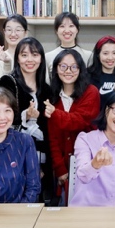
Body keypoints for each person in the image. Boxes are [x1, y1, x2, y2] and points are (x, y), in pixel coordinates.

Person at [0, 37, 52, 203]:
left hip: (40, 153)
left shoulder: (46, 89)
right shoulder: (8, 81)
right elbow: (2, 116)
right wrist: (25, 116)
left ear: (41, 58)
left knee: (37, 200)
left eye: (34, 55)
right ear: (18, 58)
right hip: (14, 151)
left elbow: (47, 126)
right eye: (24, 55)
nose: (30, 60)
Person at [70, 91, 115, 207]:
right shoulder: (85, 139)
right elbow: (83, 176)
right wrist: (95, 164)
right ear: (107, 110)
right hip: (86, 213)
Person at [45, 48, 100, 202]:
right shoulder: (52, 95)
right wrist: (60, 169)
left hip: (89, 163)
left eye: (74, 66)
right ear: (56, 69)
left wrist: (55, 113)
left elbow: (79, 121)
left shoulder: (91, 92)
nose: (68, 71)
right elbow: (53, 137)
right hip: (63, 166)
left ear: (80, 69)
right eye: (63, 66)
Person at [44, 12, 92, 81]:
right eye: (62, 26)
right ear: (56, 30)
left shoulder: (88, 55)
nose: (67, 30)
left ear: (77, 29)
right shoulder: (47, 57)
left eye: (71, 26)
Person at [87, 35, 115, 108]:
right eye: (105, 53)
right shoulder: (87, 77)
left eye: (114, 53)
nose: (110, 58)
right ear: (98, 55)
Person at [0, 14, 29, 86]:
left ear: (25, 33)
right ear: (4, 32)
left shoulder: (31, 58)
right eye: (9, 30)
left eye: (18, 30)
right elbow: (1, 87)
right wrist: (7, 63)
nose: (13, 34)